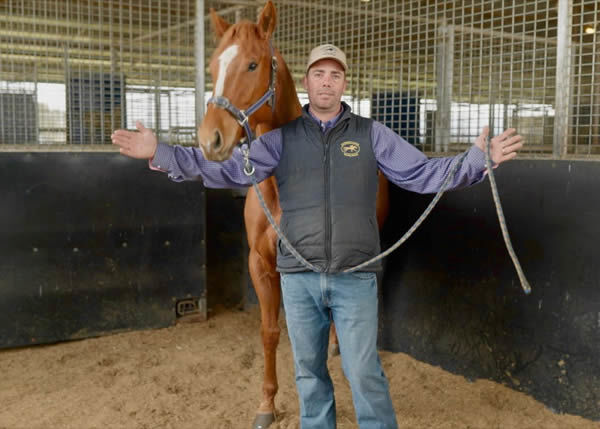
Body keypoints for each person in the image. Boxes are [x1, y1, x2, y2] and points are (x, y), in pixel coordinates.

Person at [112, 44, 523, 429]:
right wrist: (160, 152)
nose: (326, 81)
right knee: (308, 373)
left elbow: (422, 174)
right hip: (299, 278)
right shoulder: (279, 141)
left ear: (344, 84)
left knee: (364, 372)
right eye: (319, 74)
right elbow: (225, 169)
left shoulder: (371, 134)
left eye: (335, 75)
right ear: (306, 83)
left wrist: (476, 159)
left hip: (355, 277)